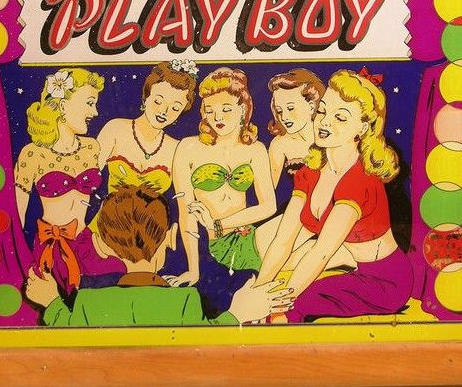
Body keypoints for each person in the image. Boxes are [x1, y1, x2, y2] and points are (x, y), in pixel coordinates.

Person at [255, 68, 413, 323]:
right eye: (322, 111)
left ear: (362, 127)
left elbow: (322, 252)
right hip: (353, 270)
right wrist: (257, 292)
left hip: (386, 282)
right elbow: (283, 241)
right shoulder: (309, 171)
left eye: (340, 117)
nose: (325, 122)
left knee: (290, 310)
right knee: (264, 302)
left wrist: (274, 306)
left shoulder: (360, 180)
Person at [25, 184, 293, 326]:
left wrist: (51, 303)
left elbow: (66, 327)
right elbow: (205, 344)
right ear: (171, 237)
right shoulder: (185, 301)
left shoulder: (88, 302)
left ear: (101, 245)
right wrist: (237, 313)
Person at [14, 68, 125, 293]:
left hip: (86, 244)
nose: (95, 112)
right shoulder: (33, 153)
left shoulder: (91, 148)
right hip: (49, 246)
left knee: (118, 273)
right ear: (63, 106)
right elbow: (17, 217)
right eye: (89, 103)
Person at [168, 68, 278, 287]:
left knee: (311, 233)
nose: (217, 117)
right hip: (218, 248)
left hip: (250, 237)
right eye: (210, 111)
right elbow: (186, 214)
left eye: (226, 109)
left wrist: (218, 224)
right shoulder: (188, 148)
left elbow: (269, 207)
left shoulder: (256, 149)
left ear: (243, 109)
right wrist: (193, 270)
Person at [96, 60, 198, 194]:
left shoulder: (177, 148)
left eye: (175, 108)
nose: (164, 111)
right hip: (111, 207)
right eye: (158, 101)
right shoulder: (116, 129)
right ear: (146, 97)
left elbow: (185, 196)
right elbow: (88, 180)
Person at [267, 69, 325, 214]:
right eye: (279, 111)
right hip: (296, 209)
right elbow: (267, 193)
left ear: (311, 106)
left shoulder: (329, 136)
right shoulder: (279, 144)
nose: (284, 117)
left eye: (291, 108)